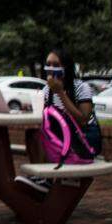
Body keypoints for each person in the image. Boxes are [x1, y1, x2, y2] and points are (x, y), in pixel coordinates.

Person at [15, 46, 102, 193]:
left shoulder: (81, 87)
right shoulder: (47, 90)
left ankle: (45, 179)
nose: (51, 68)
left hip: (82, 141)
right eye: (48, 64)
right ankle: (40, 176)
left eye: (56, 65)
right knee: (32, 134)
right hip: (59, 138)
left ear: (66, 67)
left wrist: (61, 92)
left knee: (42, 134)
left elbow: (83, 120)